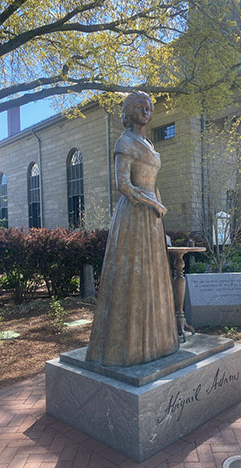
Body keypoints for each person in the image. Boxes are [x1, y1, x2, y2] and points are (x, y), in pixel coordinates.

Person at [86, 91, 178, 366]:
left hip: (152, 218)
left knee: (153, 278)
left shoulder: (148, 143)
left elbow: (152, 183)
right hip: (134, 217)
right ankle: (127, 348)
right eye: (140, 106)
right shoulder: (124, 142)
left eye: (149, 106)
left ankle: (157, 342)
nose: (146, 109)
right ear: (128, 112)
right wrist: (153, 204)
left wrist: (158, 207)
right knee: (133, 280)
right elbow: (123, 186)